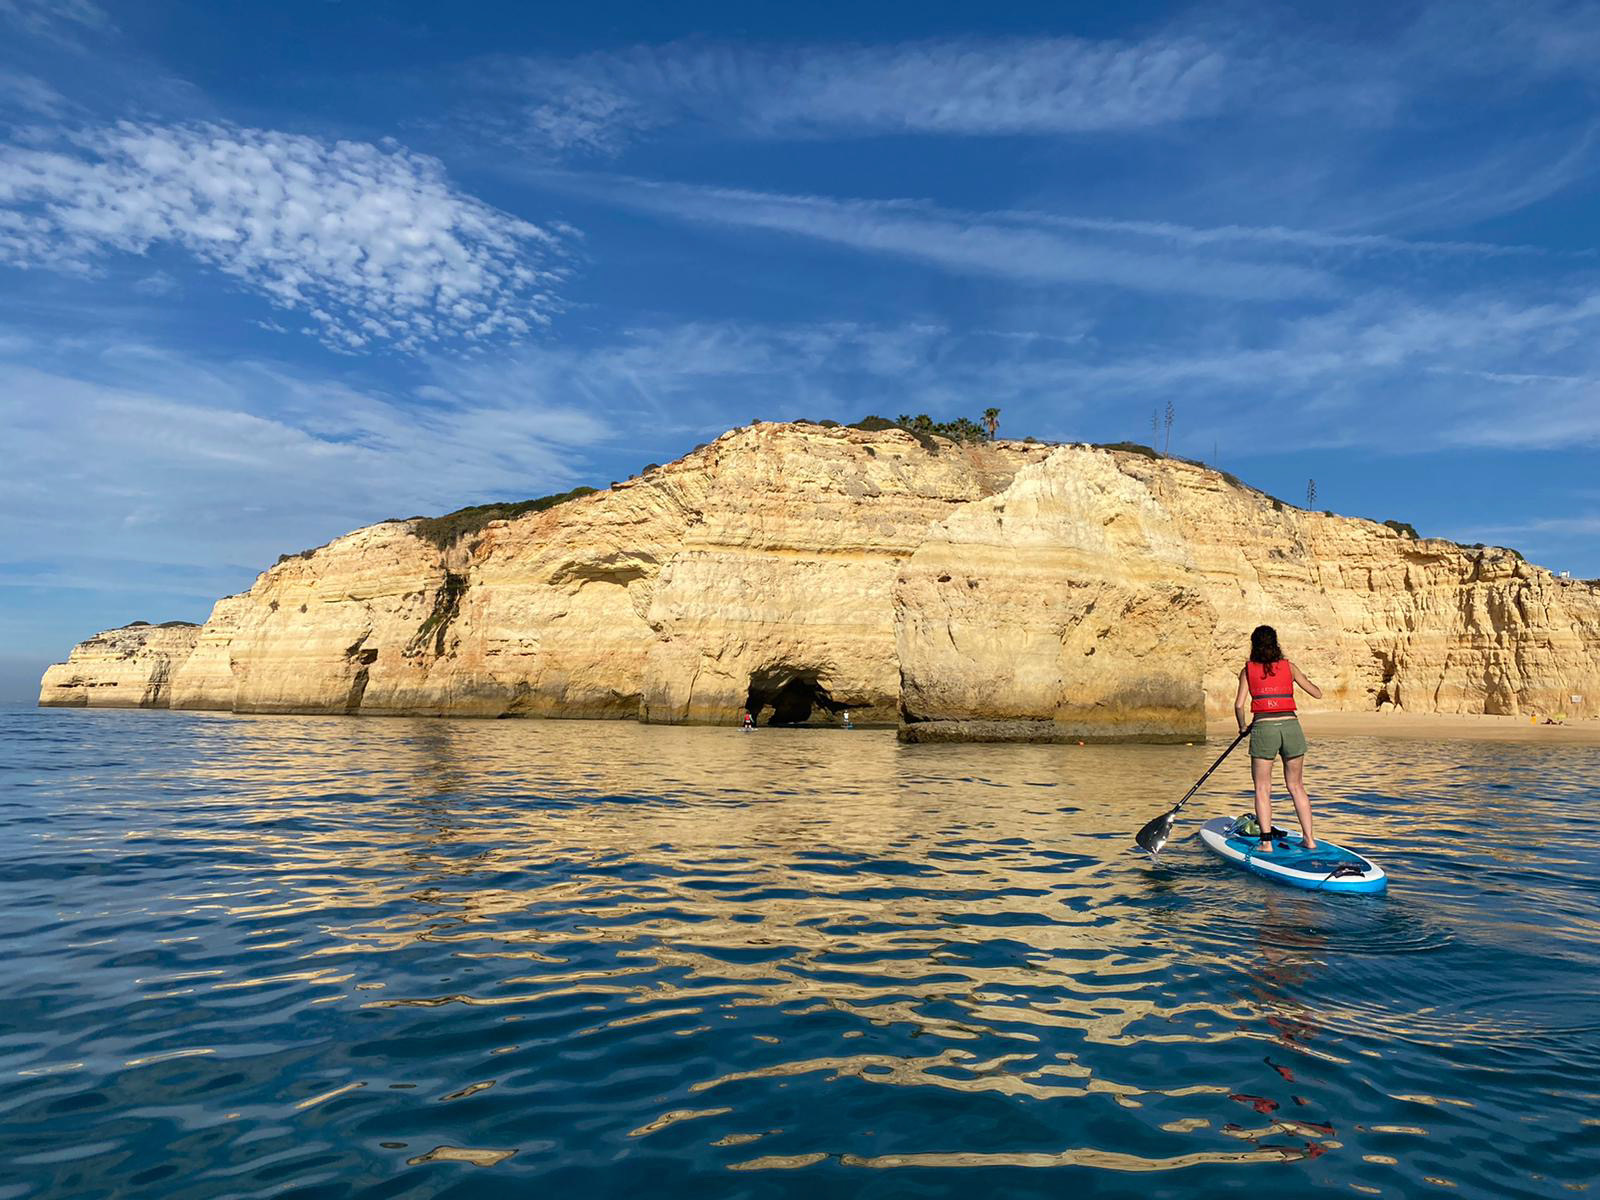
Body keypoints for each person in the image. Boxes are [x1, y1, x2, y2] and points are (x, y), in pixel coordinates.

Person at [1234, 625, 1323, 853]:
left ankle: (1265, 842)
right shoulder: (1290, 667)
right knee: (1296, 786)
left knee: (1263, 788)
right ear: (1276, 644)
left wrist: (1243, 727)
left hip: (1264, 729)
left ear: (1254, 645)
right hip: (1291, 727)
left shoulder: (1247, 670)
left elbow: (1239, 705)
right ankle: (1310, 840)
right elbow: (1316, 692)